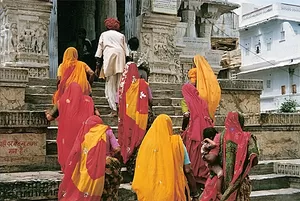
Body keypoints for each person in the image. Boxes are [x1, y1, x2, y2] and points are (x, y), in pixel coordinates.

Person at [132, 114, 200, 201]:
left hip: (149, 192)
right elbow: (188, 170)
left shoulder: (146, 145)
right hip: (172, 191)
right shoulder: (176, 143)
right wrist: (195, 193)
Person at [58, 115, 122, 201]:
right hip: (107, 164)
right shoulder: (106, 130)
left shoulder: (84, 134)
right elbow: (117, 148)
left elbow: (77, 153)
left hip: (89, 169)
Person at [201, 112, 259, 201]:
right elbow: (254, 159)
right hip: (238, 183)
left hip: (219, 183)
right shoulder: (247, 138)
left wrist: (204, 155)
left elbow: (212, 158)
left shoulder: (219, 137)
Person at [46, 83, 95, 172]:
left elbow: (50, 117)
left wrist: (47, 112)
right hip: (84, 133)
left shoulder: (62, 101)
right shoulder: (88, 101)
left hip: (67, 135)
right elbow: (97, 115)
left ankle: (68, 167)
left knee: (67, 148)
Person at [117, 63, 149, 172]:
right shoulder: (141, 84)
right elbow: (150, 99)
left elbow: (119, 103)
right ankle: (136, 166)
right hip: (140, 118)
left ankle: (127, 158)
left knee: (129, 138)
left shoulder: (123, 86)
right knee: (139, 140)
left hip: (126, 118)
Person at [95, 18, 129, 117]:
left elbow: (98, 52)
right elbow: (127, 53)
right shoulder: (121, 36)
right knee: (119, 85)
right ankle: (120, 108)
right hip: (120, 58)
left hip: (109, 57)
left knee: (110, 84)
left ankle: (114, 109)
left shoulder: (104, 35)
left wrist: (97, 67)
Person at [181, 83, 213, 187]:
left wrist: (183, 129)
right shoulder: (202, 101)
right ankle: (205, 174)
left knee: (192, 151)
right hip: (205, 129)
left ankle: (194, 175)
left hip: (194, 130)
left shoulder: (187, 101)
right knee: (203, 149)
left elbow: (186, 116)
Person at [201, 127, 223, 199]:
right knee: (220, 173)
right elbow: (214, 144)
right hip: (211, 165)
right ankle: (219, 192)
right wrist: (208, 140)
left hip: (211, 163)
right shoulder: (206, 144)